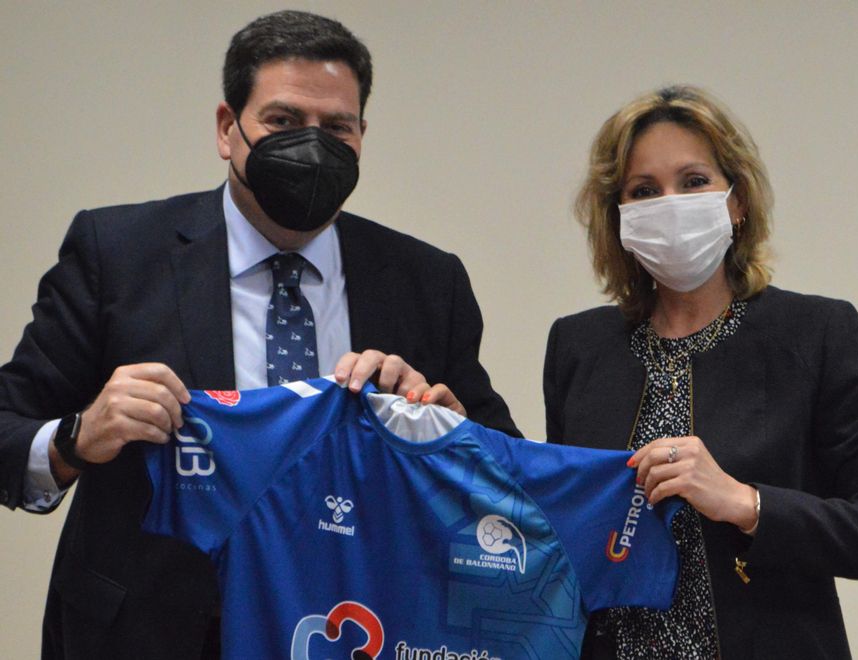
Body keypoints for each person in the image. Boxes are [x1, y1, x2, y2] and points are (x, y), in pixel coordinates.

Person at [0, 10, 517, 659]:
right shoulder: (119, 255)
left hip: (357, 630)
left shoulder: (423, 281)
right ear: (227, 128)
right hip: (145, 635)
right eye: (282, 121)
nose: (312, 146)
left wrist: (451, 436)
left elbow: (509, 477)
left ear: (362, 136)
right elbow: (7, 428)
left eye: (336, 128)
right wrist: (77, 437)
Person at [543, 84, 858, 659]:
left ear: (737, 199)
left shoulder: (817, 333)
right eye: (644, 191)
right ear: (619, 218)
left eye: (694, 181)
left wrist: (746, 503)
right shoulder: (579, 345)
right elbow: (560, 521)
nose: (670, 203)